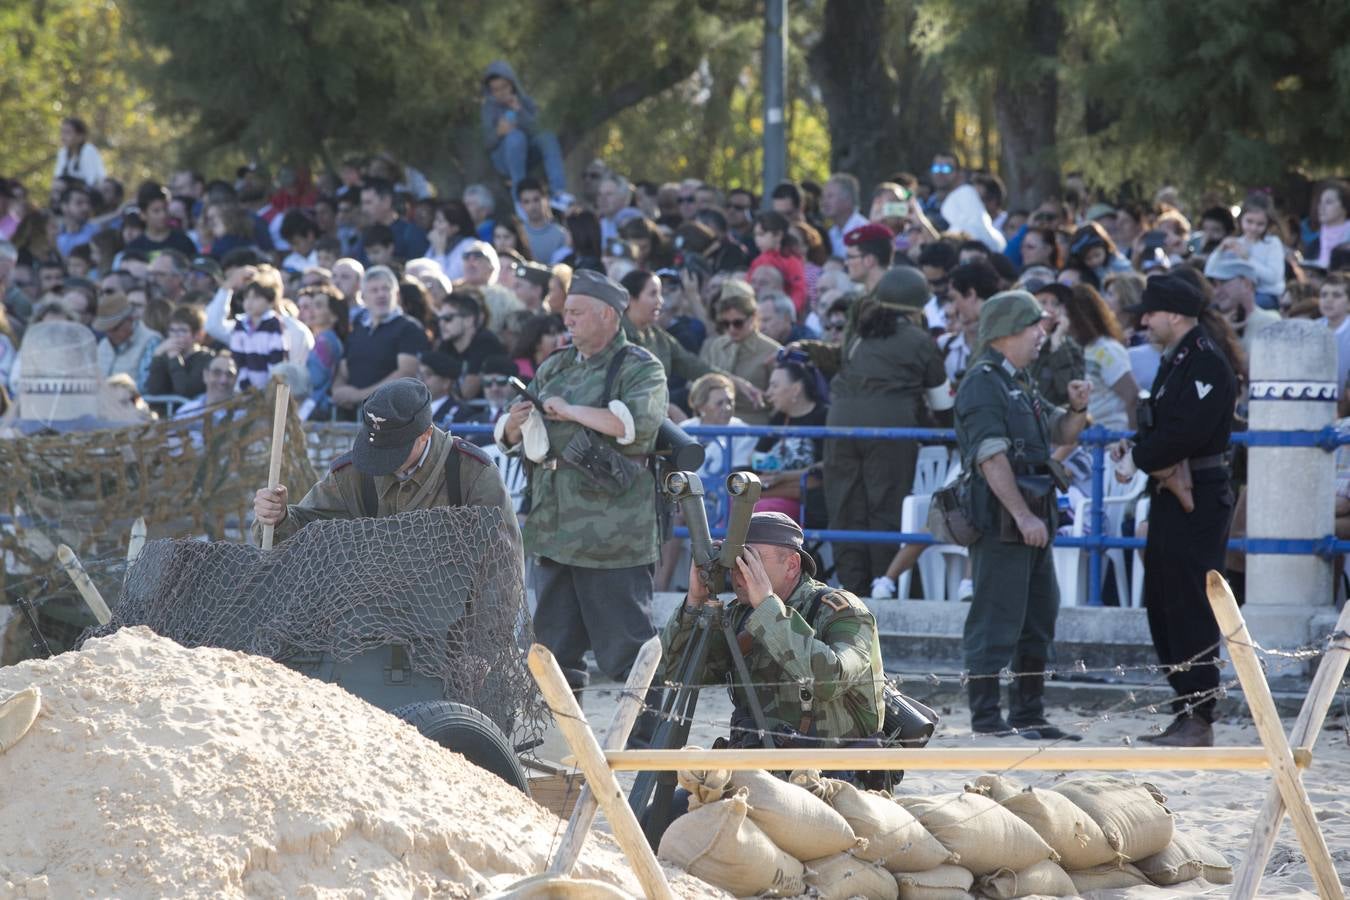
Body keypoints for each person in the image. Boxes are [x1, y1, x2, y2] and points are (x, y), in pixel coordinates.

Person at [497, 269, 667, 697]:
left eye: (577, 312)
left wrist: (571, 411)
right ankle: (561, 748)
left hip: (611, 538)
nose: (566, 320)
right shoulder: (555, 364)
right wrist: (516, 424)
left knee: (628, 653)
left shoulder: (639, 367)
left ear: (608, 315)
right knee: (552, 654)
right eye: (566, 312)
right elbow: (510, 434)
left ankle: (655, 750)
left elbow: (636, 427)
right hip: (553, 530)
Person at [955, 290, 1092, 738]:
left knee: (1038, 614)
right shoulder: (983, 381)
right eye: (1034, 326)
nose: (1041, 334)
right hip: (1003, 520)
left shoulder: (1017, 380)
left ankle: (1029, 714)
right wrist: (1022, 516)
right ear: (1006, 332)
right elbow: (991, 457)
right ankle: (988, 718)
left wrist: (1078, 406)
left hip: (1031, 517)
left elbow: (1060, 430)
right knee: (995, 617)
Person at [1108, 274, 1237, 748]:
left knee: (1190, 604)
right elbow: (1161, 426)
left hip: (1198, 492)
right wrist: (1141, 449)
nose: (1144, 320)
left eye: (1152, 312)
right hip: (1171, 490)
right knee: (1163, 603)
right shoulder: (1178, 358)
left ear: (1176, 315)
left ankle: (1199, 713)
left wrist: (1137, 458)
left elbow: (1186, 432)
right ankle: (1185, 707)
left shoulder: (1203, 361)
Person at [658, 512, 884, 748]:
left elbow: (831, 681)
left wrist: (767, 609)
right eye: (735, 561)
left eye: (751, 561)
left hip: (832, 775)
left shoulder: (841, 611)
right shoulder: (740, 614)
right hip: (760, 767)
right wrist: (695, 602)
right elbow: (677, 673)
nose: (739, 572)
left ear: (792, 565)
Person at [799, 267, 953, 595]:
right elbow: (942, 403)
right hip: (890, 430)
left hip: (840, 426)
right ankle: (882, 589)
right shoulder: (920, 341)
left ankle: (850, 593)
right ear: (916, 307)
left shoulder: (859, 333)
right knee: (884, 510)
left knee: (844, 510)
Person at [253, 377, 520, 550]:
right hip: (371, 624)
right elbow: (301, 531)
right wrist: (278, 518)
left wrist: (489, 635)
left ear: (425, 434)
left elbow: (501, 562)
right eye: (376, 450)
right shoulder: (353, 473)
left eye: (394, 451)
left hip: (453, 628)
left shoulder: (473, 473)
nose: (383, 461)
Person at [332, 266, 428, 413]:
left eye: (386, 289)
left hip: (392, 417)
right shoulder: (358, 327)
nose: (381, 294)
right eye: (374, 290)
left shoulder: (409, 328)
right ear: (363, 297)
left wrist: (360, 396)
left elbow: (406, 373)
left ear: (396, 294)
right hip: (351, 416)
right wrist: (338, 390)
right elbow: (343, 369)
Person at [753, 355, 829, 527]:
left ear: (795, 389)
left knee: (760, 511)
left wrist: (784, 476)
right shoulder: (778, 419)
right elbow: (757, 458)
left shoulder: (824, 417)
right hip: (772, 490)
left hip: (807, 499)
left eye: (774, 386)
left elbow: (829, 464)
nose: (768, 392)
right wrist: (769, 470)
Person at [481, 61, 568, 201]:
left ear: (512, 85)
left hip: (528, 155)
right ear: (490, 91)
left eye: (504, 87)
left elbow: (539, 129)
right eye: (496, 89)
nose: (501, 92)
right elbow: (485, 143)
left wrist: (520, 111)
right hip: (505, 160)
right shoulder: (488, 109)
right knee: (516, 137)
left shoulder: (525, 101)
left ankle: (559, 193)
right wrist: (498, 132)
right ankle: (519, 197)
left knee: (548, 137)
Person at [699, 282, 780, 424]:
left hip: (753, 427)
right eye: (725, 323)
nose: (731, 329)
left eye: (738, 323)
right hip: (715, 425)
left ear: (753, 317)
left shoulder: (772, 351)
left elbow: (779, 401)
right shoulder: (717, 346)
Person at [1062, 284, 1138, 430]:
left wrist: (1131, 442)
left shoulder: (1106, 350)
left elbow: (1132, 396)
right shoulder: (1076, 350)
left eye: (1067, 316)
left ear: (1080, 317)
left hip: (1109, 441)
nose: (1063, 323)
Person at [145, 305, 214, 403]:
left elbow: (185, 391)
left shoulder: (206, 358)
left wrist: (174, 359)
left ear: (197, 334)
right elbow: (153, 391)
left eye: (182, 331)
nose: (175, 335)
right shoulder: (164, 356)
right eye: (172, 330)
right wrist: (157, 356)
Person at [53, 117, 106, 188]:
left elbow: (90, 181)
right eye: (62, 132)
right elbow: (57, 177)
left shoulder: (88, 150)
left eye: (68, 132)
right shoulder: (63, 152)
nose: (63, 136)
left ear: (80, 136)